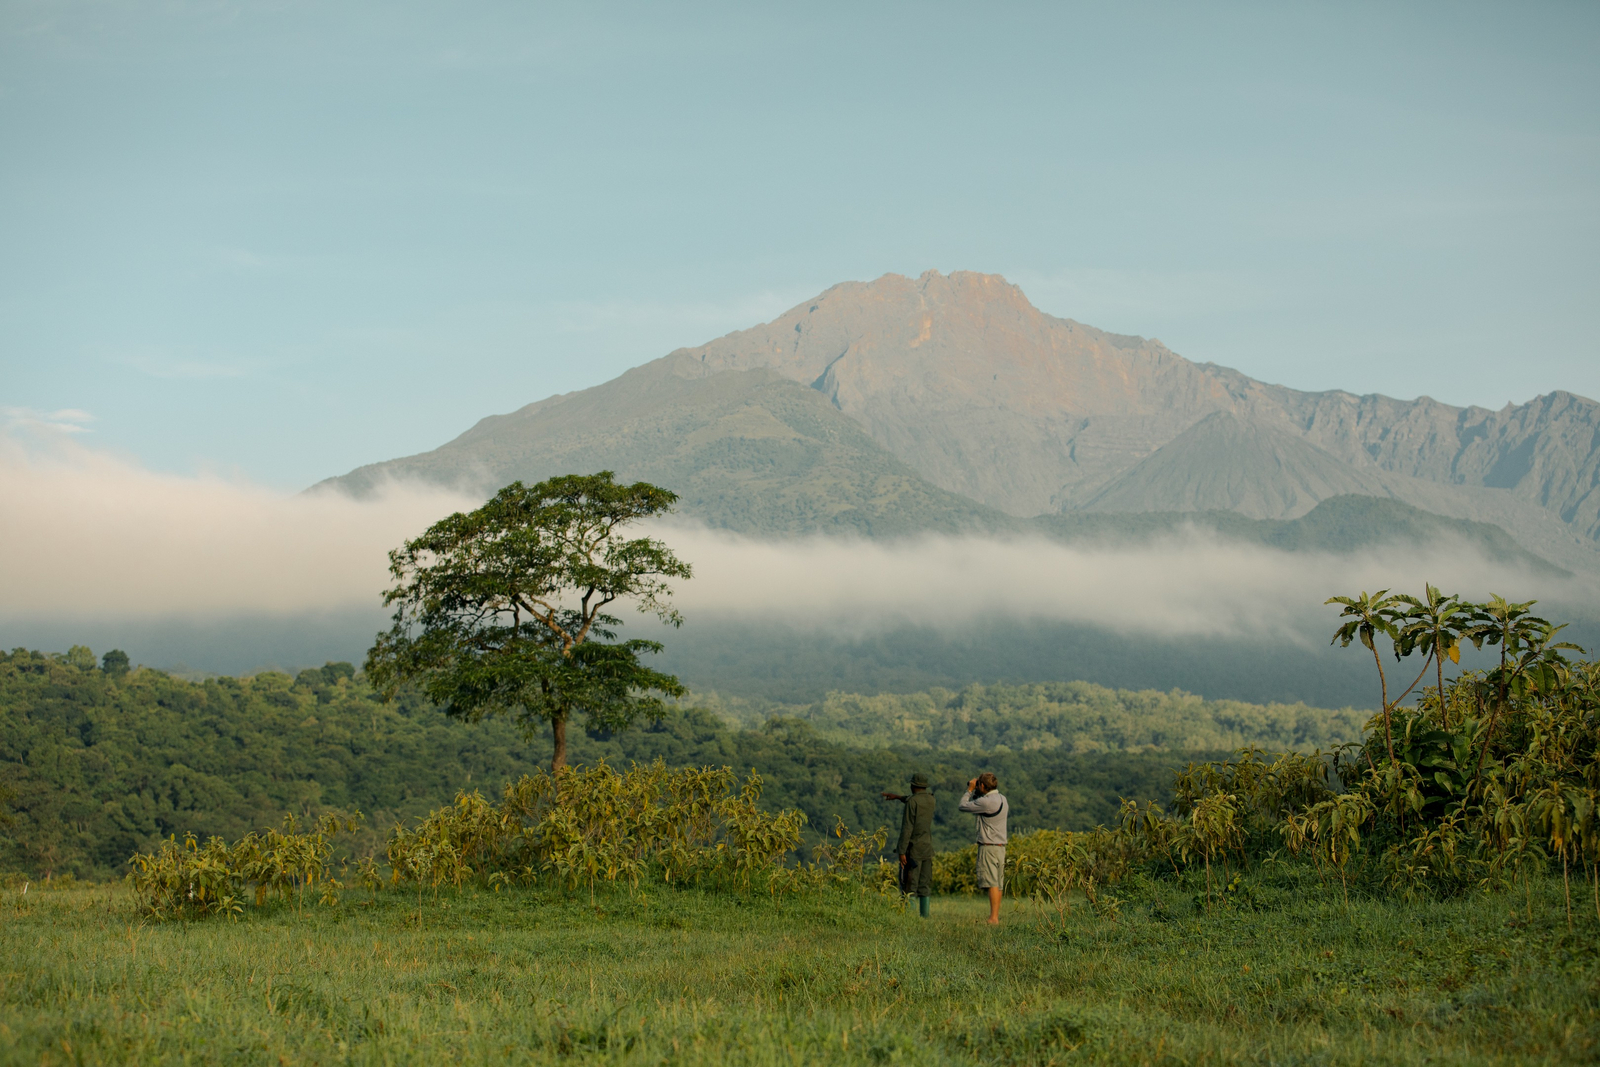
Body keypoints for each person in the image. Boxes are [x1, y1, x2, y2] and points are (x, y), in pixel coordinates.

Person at [881, 772, 936, 918]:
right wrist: (898, 797)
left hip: (913, 849)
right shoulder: (931, 800)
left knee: (909, 885)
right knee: (924, 885)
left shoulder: (912, 802)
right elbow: (916, 800)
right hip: (927, 847)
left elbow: (907, 828)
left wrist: (901, 851)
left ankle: (910, 918)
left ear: (913, 786)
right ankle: (925, 916)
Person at [958, 771, 1007, 925]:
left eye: (979, 784)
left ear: (983, 786)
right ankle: (995, 916)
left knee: (992, 882)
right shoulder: (1002, 799)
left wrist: (969, 790)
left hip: (989, 847)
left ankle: (993, 918)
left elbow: (962, 806)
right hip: (1000, 846)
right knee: (998, 883)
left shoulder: (986, 802)